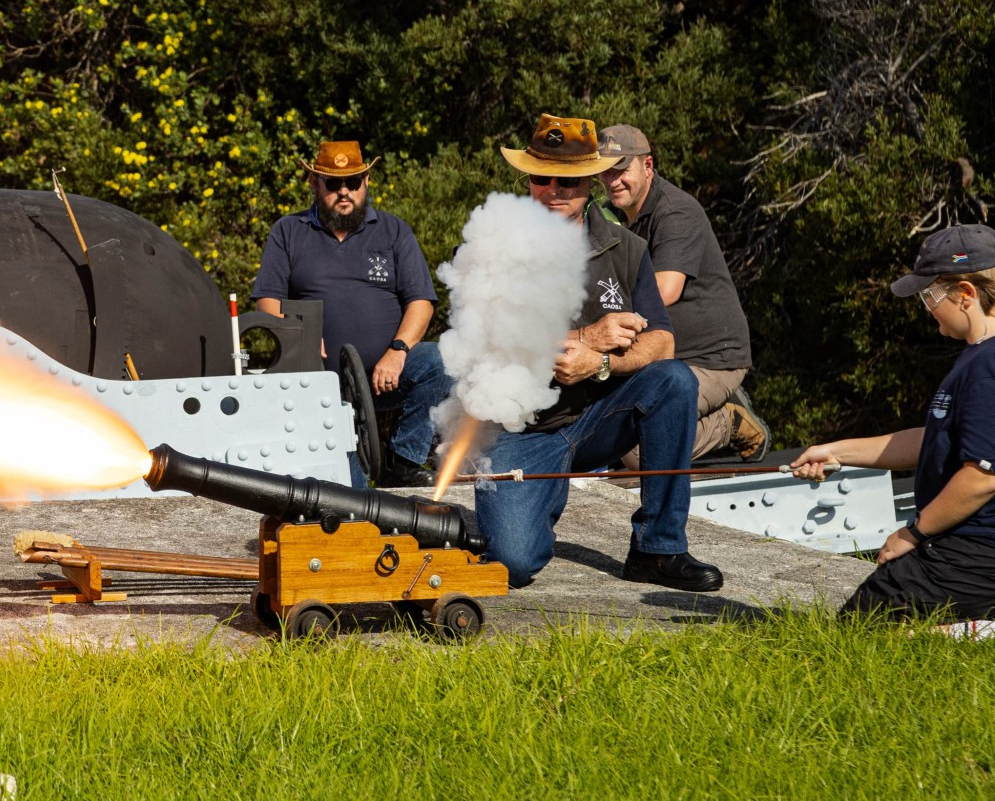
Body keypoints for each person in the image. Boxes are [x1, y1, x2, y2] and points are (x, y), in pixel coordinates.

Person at [399, 115, 722, 591]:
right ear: (524, 180)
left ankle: (659, 548)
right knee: (513, 564)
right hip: (522, 430)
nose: (554, 189)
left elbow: (663, 341)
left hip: (599, 414)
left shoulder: (627, 248)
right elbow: (485, 345)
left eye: (568, 179)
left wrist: (605, 363)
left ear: (591, 181)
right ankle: (535, 499)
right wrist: (588, 338)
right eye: (541, 177)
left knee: (674, 380)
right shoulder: (491, 244)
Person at [791, 224, 995, 621]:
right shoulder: (976, 357)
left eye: (929, 295)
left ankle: (979, 630)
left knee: (861, 627)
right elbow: (935, 440)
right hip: (960, 543)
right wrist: (836, 452)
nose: (925, 306)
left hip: (975, 550)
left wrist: (914, 533)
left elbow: (983, 475)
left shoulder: (988, 366)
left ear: (966, 294)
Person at [251, 139, 443, 486]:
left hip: (385, 375)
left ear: (366, 182)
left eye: (353, 182)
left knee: (441, 362)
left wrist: (398, 351)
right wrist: (297, 336)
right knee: (351, 498)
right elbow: (267, 300)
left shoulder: (393, 230)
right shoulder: (288, 231)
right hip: (320, 386)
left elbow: (421, 302)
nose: (344, 191)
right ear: (314, 183)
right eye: (333, 183)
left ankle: (402, 461)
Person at [597, 124, 768, 462]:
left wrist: (600, 316)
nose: (612, 180)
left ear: (647, 167)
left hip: (713, 360)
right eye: (603, 172)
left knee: (637, 451)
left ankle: (728, 422)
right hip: (661, 358)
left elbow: (665, 289)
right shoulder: (614, 215)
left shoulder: (675, 211)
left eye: (621, 170)